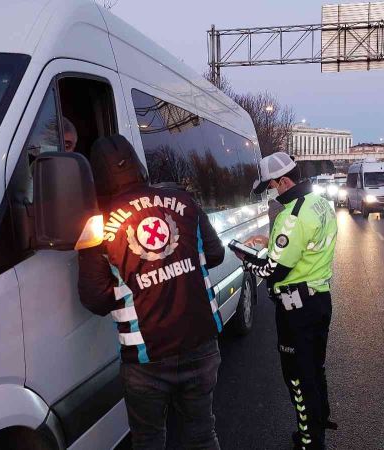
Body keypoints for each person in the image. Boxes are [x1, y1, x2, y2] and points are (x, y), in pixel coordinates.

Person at [78, 135, 225, 450]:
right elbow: (214, 255)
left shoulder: (97, 224)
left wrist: (131, 279)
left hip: (146, 357)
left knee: (148, 440)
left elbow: (94, 298)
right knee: (201, 434)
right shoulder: (184, 202)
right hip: (201, 341)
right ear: (137, 165)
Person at [235, 152, 337, 450]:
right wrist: (270, 243)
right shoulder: (318, 202)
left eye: (271, 186)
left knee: (296, 375)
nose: (271, 192)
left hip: (297, 308)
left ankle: (309, 441)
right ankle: (320, 421)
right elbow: (306, 244)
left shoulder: (292, 215)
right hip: (319, 298)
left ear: (283, 181)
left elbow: (272, 271)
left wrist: (244, 259)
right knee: (315, 367)